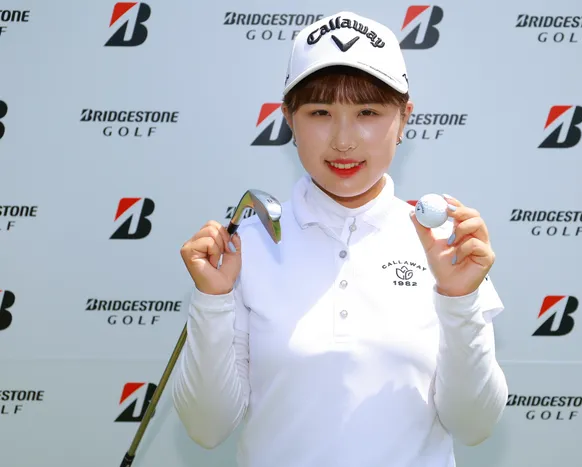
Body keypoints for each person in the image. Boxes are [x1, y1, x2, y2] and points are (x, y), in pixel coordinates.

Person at [173, 10, 508, 467]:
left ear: (404, 119)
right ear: (289, 119)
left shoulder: (447, 246)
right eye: (320, 113)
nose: (344, 140)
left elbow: (474, 426)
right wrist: (212, 301)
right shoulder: (244, 246)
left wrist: (459, 299)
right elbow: (206, 429)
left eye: (368, 112)